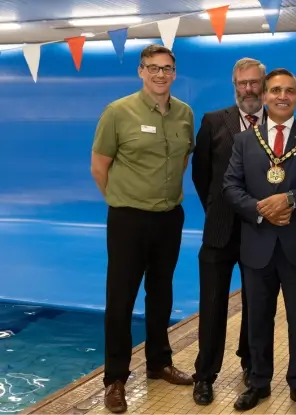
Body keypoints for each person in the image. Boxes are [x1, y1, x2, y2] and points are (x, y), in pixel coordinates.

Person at [222, 68, 296, 414]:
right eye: (275, 90)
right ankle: (258, 382)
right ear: (265, 95)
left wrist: (289, 200)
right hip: (258, 245)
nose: (282, 96)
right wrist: (261, 210)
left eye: (289, 91)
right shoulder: (246, 140)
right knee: (258, 318)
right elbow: (230, 187)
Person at [90, 44, 194, 414]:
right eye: (153, 68)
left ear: (174, 73)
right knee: (120, 300)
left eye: (166, 68)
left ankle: (158, 362)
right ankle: (115, 378)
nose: (160, 74)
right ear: (140, 71)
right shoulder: (118, 112)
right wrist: (121, 200)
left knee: (161, 293)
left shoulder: (184, 113)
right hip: (128, 219)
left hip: (169, 217)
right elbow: (99, 166)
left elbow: (182, 160)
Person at [190, 57, 266, 406]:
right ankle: (205, 375)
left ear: (263, 85)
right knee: (212, 307)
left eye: (254, 82)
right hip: (219, 232)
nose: (248, 89)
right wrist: (216, 210)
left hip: (260, 233)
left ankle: (251, 367)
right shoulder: (213, 121)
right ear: (234, 86)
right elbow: (201, 174)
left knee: (256, 306)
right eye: (242, 83)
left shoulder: (276, 124)